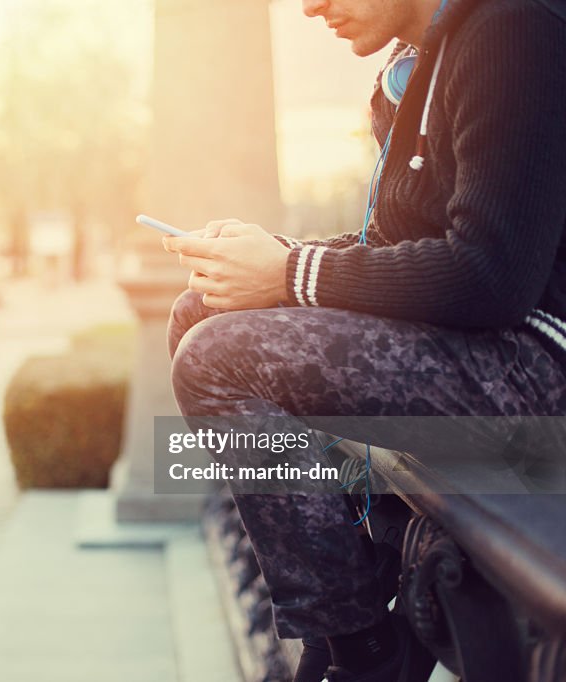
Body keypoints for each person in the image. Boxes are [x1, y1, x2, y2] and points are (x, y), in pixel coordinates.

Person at [163, 0, 566, 680]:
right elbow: (397, 254)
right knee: (201, 312)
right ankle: (350, 580)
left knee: (218, 358)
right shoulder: (412, 73)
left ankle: (362, 653)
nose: (312, 7)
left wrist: (291, 273)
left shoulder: (512, 28)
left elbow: (490, 274)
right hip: (476, 351)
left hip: (536, 368)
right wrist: (269, 262)